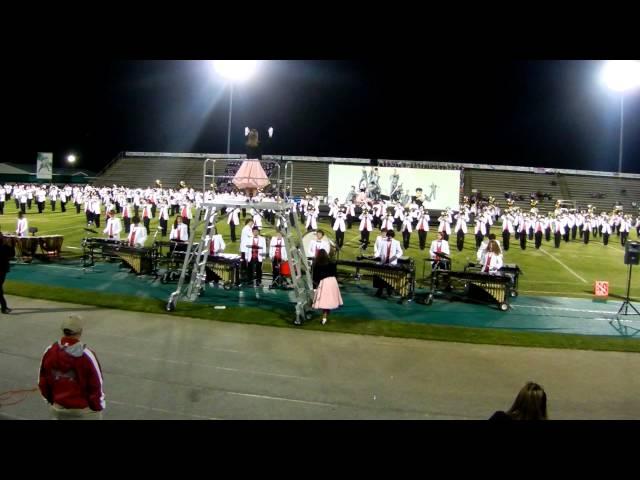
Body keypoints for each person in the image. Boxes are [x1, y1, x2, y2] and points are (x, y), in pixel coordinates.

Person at [38, 315, 105, 420]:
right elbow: (96, 384)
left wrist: (52, 401)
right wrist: (97, 407)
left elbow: (42, 381)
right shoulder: (86, 355)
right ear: (80, 332)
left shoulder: (50, 351)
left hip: (58, 408)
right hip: (81, 411)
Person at [312, 249, 343, 325]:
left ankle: (324, 318)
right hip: (333, 282)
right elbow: (335, 274)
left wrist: (315, 285)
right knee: (328, 302)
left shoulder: (317, 264)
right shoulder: (332, 263)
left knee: (325, 302)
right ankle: (325, 318)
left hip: (324, 282)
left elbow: (315, 277)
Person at [373, 230, 403, 298]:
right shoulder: (382, 242)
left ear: (393, 236)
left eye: (391, 236)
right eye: (388, 236)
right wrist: (375, 255)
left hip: (392, 263)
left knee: (390, 278)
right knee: (381, 277)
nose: (389, 237)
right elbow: (378, 251)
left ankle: (390, 291)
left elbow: (400, 252)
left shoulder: (396, 242)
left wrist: (396, 256)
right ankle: (380, 290)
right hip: (383, 262)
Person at [0, 230, 12, 313]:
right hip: (1, 270)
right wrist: (9, 244)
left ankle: (4, 307)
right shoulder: (4, 247)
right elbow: (12, 253)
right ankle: (4, 308)